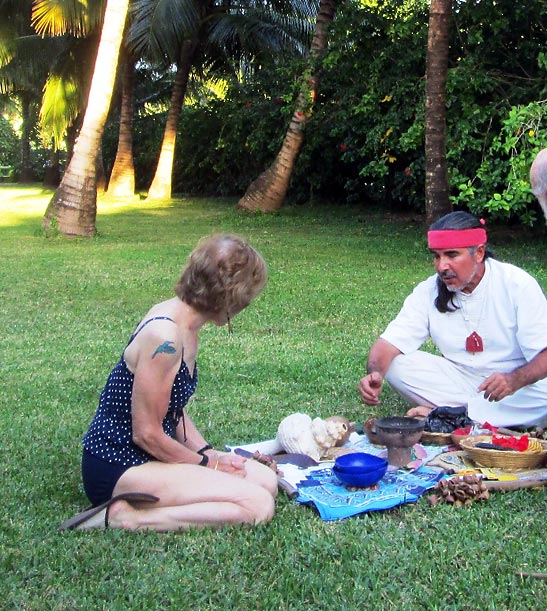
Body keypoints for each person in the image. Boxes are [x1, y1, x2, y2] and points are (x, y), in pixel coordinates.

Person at [60, 234, 277, 531]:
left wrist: (208, 452)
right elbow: (147, 433)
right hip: (120, 464)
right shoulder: (165, 337)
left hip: (154, 457)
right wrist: (207, 466)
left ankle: (186, 496)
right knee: (257, 505)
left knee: (266, 481)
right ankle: (127, 518)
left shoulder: (188, 327)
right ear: (231, 296)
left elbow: (171, 409)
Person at [358, 211, 547, 429]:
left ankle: (450, 415)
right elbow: (388, 345)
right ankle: (467, 415)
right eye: (437, 256)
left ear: (479, 253)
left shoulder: (517, 285)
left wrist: (513, 380)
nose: (441, 266)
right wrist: (374, 374)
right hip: (460, 380)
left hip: (516, 387)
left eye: (451, 255)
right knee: (396, 366)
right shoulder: (429, 290)